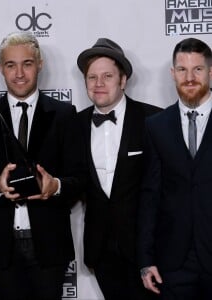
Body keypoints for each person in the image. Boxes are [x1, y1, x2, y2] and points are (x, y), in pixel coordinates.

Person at [0, 31, 86, 300]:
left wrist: (55, 186)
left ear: (40, 64)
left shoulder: (64, 115)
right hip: (2, 244)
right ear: (1, 69)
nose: (19, 73)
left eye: (27, 64)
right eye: (11, 65)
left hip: (50, 243)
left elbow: (80, 178)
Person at [76, 38, 161, 299]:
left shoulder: (154, 121)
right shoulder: (75, 124)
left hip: (149, 251)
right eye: (92, 77)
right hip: (100, 249)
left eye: (107, 76)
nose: (99, 84)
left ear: (123, 80)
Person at [138, 37, 212, 300]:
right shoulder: (156, 126)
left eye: (198, 69)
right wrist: (146, 260)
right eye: (182, 70)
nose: (189, 77)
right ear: (173, 73)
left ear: (210, 72)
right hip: (174, 263)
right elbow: (150, 196)